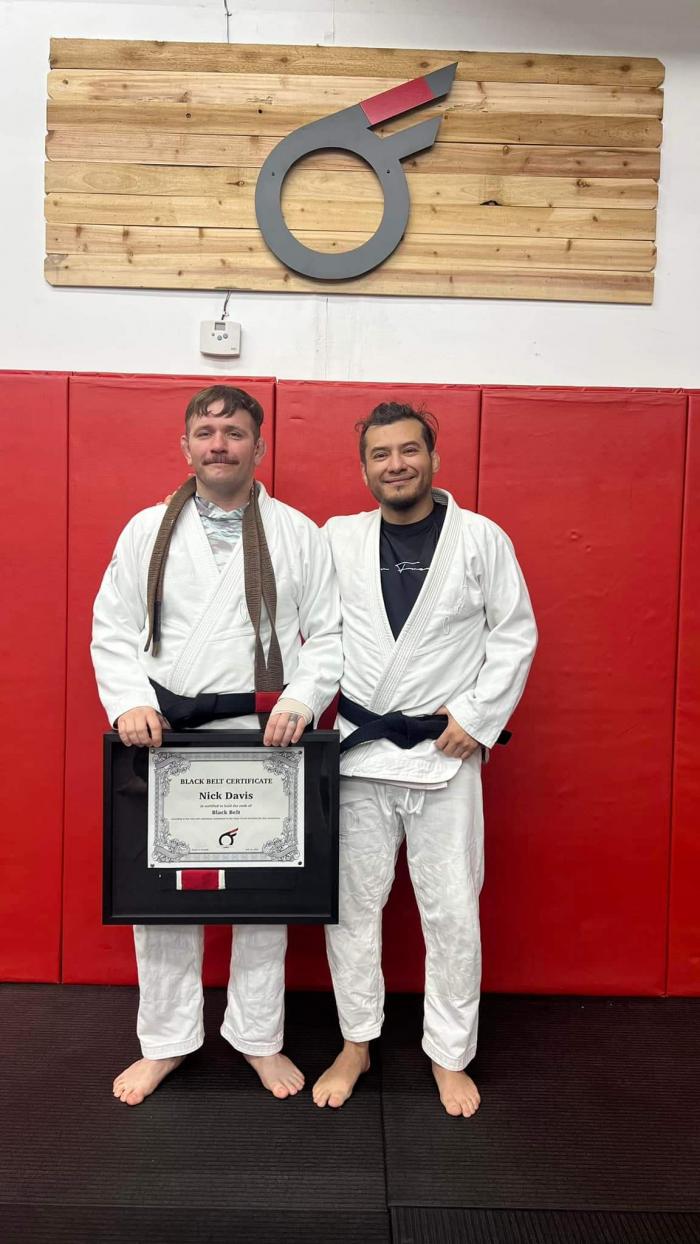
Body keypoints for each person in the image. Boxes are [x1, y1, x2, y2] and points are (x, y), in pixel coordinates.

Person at [91, 384, 342, 1106]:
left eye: (234, 432)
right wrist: (129, 700)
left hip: (263, 735)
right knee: (166, 895)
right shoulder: (146, 530)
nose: (219, 444)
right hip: (166, 735)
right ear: (186, 446)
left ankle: (257, 1036)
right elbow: (113, 627)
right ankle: (167, 1040)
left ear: (259, 446)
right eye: (206, 432)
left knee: (262, 895)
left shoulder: (298, 533)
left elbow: (329, 634)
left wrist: (300, 699)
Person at [312, 402, 537, 1117]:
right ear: (365, 469)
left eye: (409, 450)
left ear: (434, 459)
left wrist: (478, 717)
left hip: (445, 754)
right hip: (360, 753)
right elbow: (312, 628)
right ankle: (356, 1041)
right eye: (380, 454)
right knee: (350, 910)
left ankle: (448, 1053)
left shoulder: (480, 539)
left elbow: (515, 633)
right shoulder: (338, 538)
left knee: (452, 911)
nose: (396, 465)